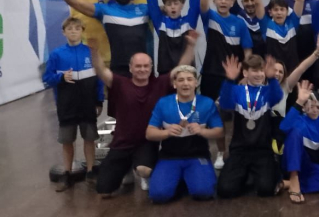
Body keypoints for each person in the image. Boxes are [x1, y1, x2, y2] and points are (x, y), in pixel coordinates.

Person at [89, 32, 197, 198]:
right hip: (121, 143)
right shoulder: (120, 83)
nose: (142, 69)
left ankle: (143, 169)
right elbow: (101, 70)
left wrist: (190, 45)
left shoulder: (160, 83)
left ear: (151, 67)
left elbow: (181, 67)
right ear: (131, 68)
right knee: (104, 191)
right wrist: (94, 51)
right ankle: (126, 168)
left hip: (146, 142)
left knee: (144, 170)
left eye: (146, 66)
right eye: (138, 66)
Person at [46, 0, 149, 77]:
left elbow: (167, 9)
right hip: (119, 71)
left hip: (144, 69)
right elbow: (73, 1)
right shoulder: (104, 10)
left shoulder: (145, 9)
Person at [200, 0, 253, 169]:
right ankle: (221, 153)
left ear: (232, 2)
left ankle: (239, 151)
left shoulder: (240, 23)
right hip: (211, 75)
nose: (223, 2)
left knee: (238, 117)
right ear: (215, 1)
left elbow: (247, 52)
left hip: (234, 78)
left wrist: (245, 75)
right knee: (214, 118)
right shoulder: (210, 17)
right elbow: (202, 3)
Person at [145, 65, 223, 203]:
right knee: (159, 195)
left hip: (197, 155)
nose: (185, 83)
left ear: (196, 82)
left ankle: (187, 177)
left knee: (204, 192)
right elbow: (149, 133)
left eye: (189, 79)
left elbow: (219, 132)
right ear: (174, 84)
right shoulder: (164, 103)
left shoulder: (207, 103)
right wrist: (167, 133)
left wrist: (202, 131)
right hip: (169, 156)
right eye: (181, 80)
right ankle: (180, 178)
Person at [43, 16, 104, 191]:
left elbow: (99, 79)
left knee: (89, 138)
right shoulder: (56, 54)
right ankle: (67, 174)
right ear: (63, 32)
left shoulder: (91, 52)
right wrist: (61, 77)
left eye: (77, 28)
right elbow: (46, 78)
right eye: (69, 29)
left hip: (87, 104)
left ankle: (90, 172)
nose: (73, 32)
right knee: (67, 140)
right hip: (66, 105)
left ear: (82, 31)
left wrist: (99, 100)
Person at [217, 55, 284, 198]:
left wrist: (272, 78)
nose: (259, 74)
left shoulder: (267, 91)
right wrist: (229, 80)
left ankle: (252, 174)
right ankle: (246, 174)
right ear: (245, 73)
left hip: (262, 150)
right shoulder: (237, 91)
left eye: (261, 70)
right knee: (225, 190)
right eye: (254, 70)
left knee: (266, 190)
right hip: (239, 150)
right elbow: (225, 103)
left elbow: (277, 96)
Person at [279, 81, 319, 203]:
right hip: (291, 163)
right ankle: (293, 177)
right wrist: (299, 102)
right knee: (294, 133)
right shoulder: (298, 118)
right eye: (311, 107)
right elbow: (283, 127)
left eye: (318, 107)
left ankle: (289, 183)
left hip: (309, 165)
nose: (315, 110)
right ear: (304, 108)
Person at [254, 0, 304, 74]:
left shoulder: (292, 22)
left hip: (292, 72)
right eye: (276, 10)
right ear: (270, 12)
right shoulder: (266, 24)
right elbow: (257, 2)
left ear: (287, 12)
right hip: (272, 72)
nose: (279, 13)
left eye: (282, 10)